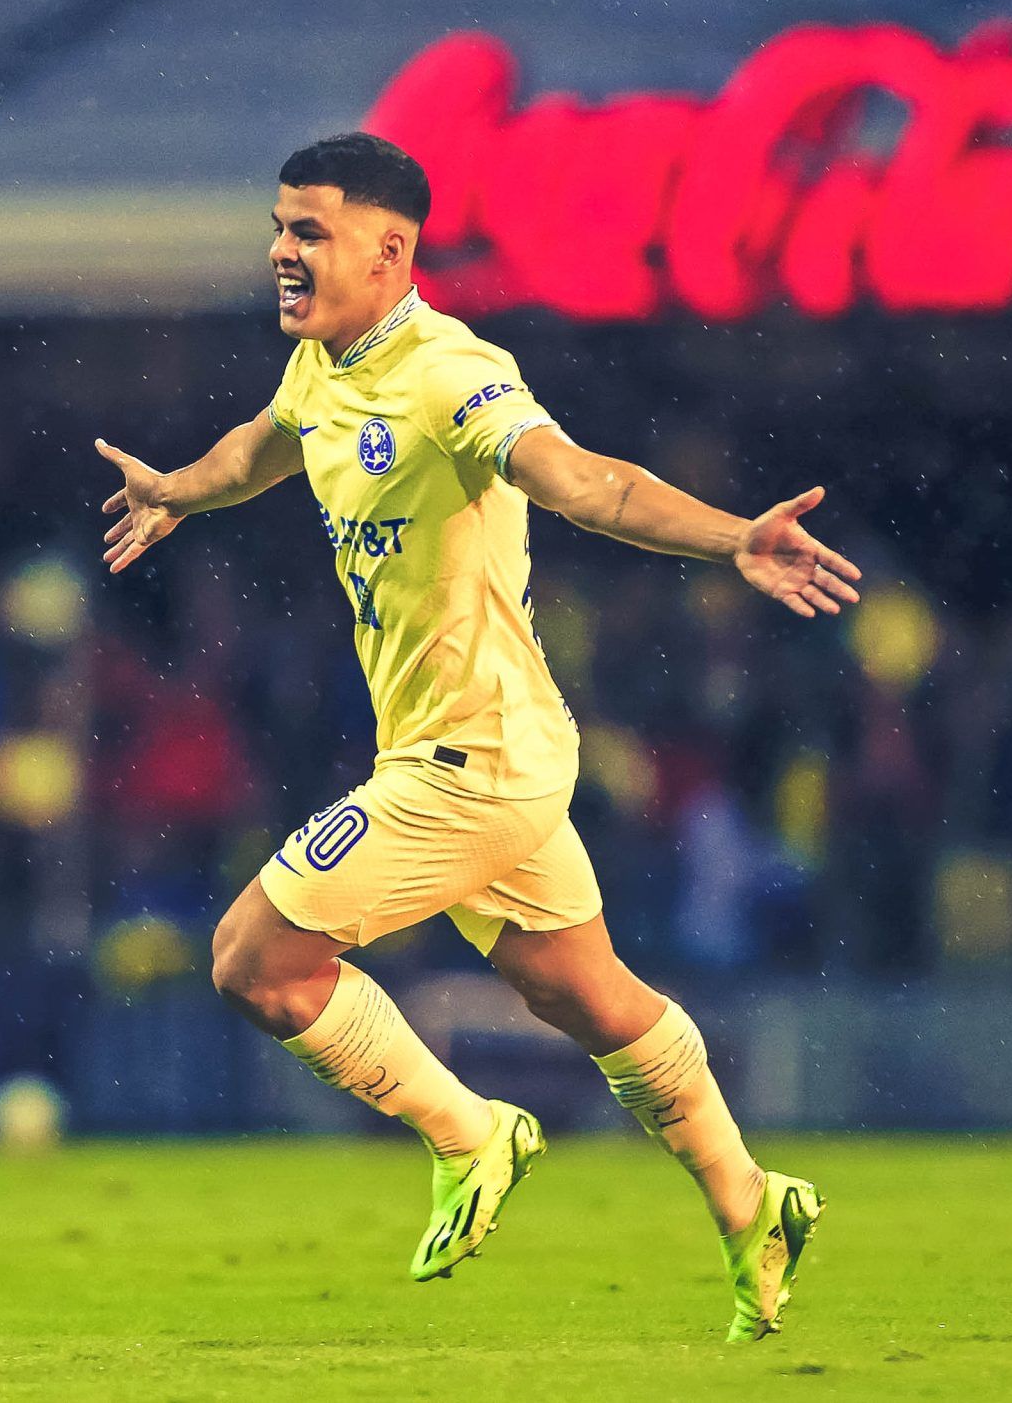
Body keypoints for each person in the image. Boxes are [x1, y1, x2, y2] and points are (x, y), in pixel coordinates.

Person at [95, 133, 859, 1341]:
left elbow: (584, 482)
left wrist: (730, 539)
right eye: (280, 227)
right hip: (484, 742)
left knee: (252, 959)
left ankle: (469, 1130)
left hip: (472, 763)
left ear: (389, 250)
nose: (281, 253)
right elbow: (266, 446)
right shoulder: (322, 368)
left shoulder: (451, 371)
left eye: (310, 232)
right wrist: (181, 490)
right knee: (593, 998)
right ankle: (752, 1200)